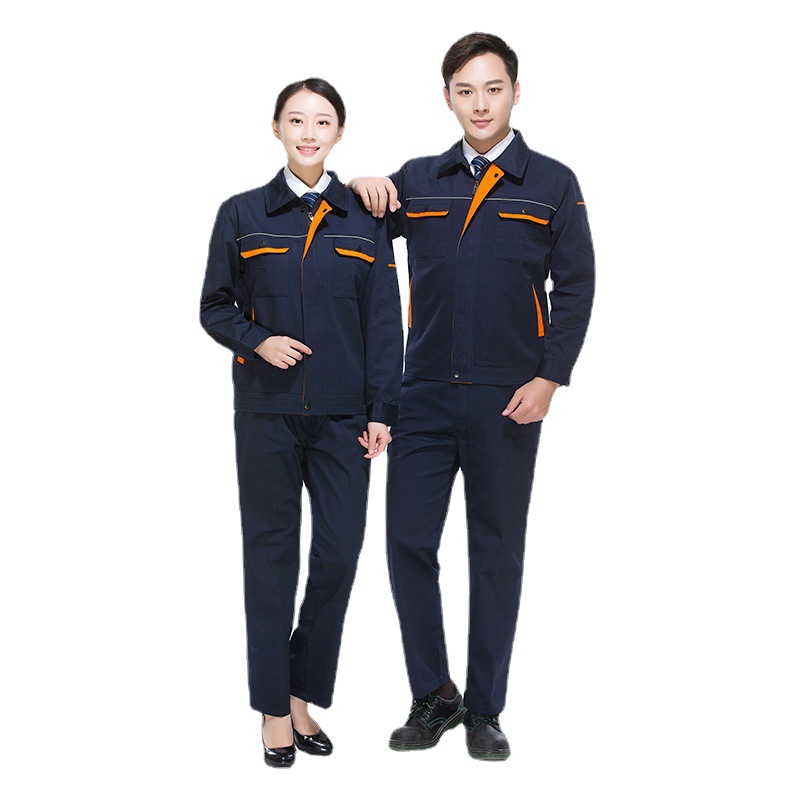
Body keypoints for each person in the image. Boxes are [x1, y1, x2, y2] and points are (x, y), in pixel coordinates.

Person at [349, 33, 595, 761]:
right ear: (447, 97)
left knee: (496, 552)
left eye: (493, 88)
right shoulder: (419, 179)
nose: (480, 104)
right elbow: (357, 223)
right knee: (406, 544)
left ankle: (485, 708)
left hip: (507, 399)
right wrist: (361, 184)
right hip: (421, 395)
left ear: (516, 91)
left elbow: (576, 285)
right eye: (466, 90)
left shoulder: (551, 182)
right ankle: (434, 694)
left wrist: (550, 377)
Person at [201, 78, 403, 768]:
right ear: (277, 129)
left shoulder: (363, 218)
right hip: (267, 415)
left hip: (344, 419)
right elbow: (214, 305)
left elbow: (384, 323)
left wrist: (382, 411)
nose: (309, 133)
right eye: (296, 120)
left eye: (322, 122)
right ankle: (273, 709)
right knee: (271, 560)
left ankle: (300, 692)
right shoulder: (242, 213)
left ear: (339, 132)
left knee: (339, 555)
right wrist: (256, 340)